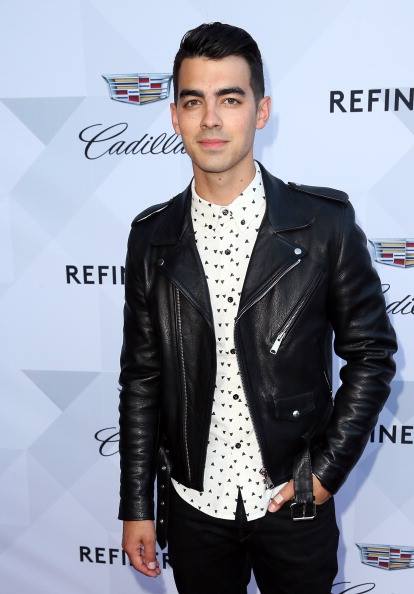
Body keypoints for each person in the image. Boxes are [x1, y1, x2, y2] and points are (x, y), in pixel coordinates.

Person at [117, 21, 398, 594]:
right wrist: (136, 505)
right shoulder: (151, 238)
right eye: (193, 101)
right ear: (174, 116)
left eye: (230, 99)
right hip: (194, 508)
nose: (210, 119)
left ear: (261, 111)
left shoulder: (324, 226)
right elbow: (142, 379)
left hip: (294, 501)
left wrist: (323, 473)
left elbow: (372, 356)